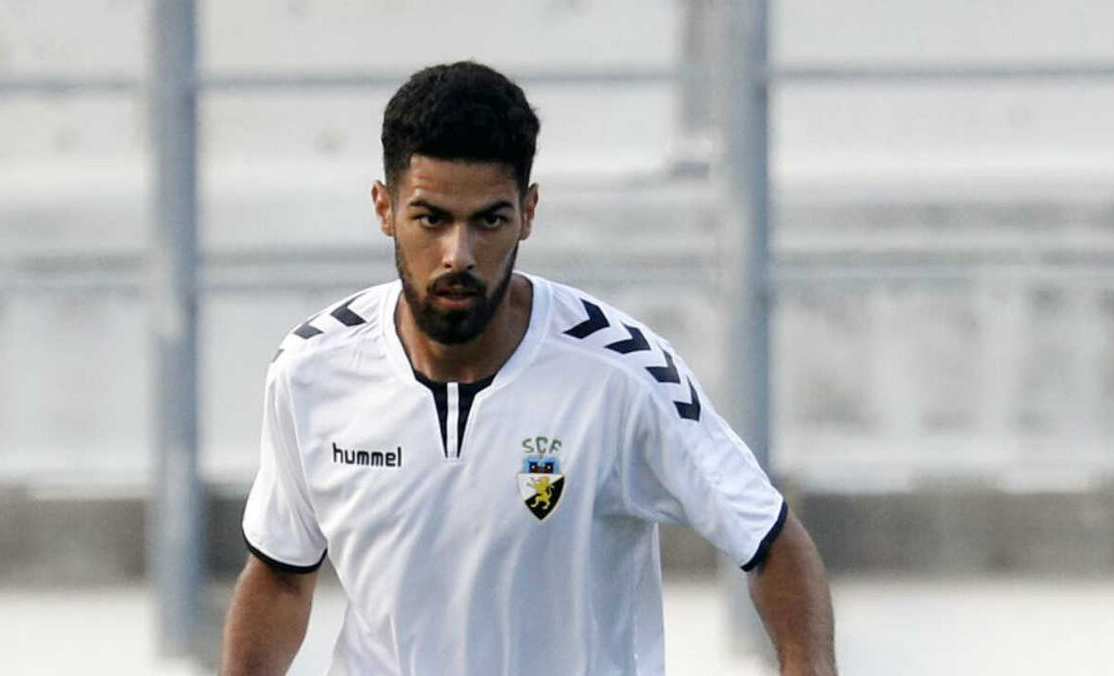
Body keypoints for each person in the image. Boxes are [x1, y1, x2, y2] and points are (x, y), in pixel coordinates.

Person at [221, 61, 836, 676]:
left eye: (489, 220)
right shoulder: (313, 370)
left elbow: (772, 542)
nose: (458, 255)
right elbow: (281, 574)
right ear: (384, 208)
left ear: (529, 211)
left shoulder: (622, 375)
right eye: (431, 218)